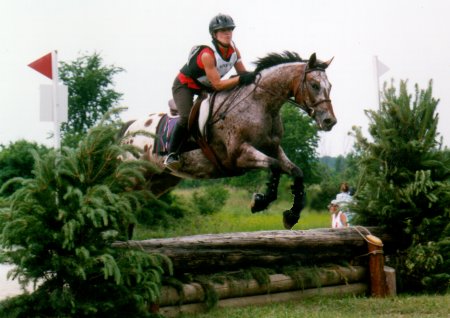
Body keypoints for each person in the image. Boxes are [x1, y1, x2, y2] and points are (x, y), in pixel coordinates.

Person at [164, 13, 256, 170]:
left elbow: (243, 73)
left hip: (205, 86)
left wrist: (257, 76)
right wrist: (241, 80)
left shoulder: (234, 51)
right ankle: (172, 154)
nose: (227, 33)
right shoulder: (207, 54)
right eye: (223, 31)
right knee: (187, 117)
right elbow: (219, 85)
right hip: (184, 85)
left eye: (230, 30)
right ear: (214, 34)